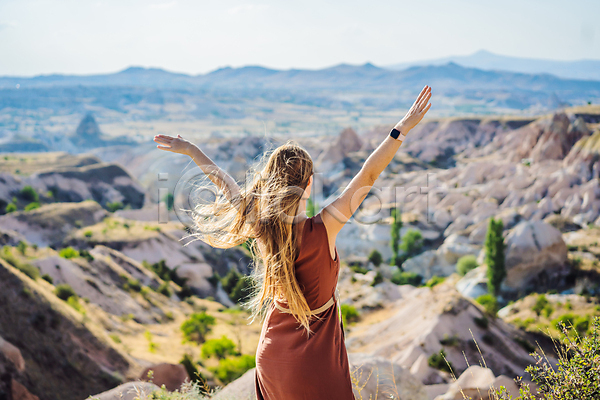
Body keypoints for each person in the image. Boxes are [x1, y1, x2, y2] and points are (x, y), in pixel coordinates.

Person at [153, 85, 432, 399]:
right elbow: (368, 175)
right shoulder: (325, 226)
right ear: (309, 184)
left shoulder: (262, 227)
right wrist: (401, 130)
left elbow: (224, 182)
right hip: (315, 365)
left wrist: (191, 150)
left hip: (271, 357)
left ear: (271, 183)